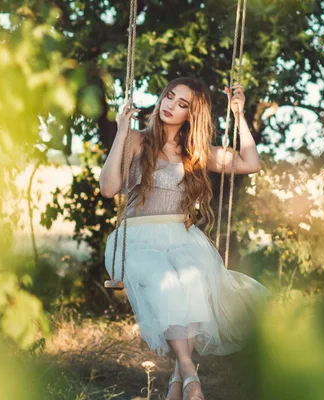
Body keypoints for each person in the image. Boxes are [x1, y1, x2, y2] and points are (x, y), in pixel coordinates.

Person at [99, 77, 269, 400]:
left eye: (182, 104)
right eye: (169, 96)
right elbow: (108, 188)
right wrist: (121, 131)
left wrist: (239, 115)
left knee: (191, 281)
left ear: (191, 115)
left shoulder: (195, 152)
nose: (170, 106)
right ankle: (190, 374)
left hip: (181, 236)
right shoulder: (136, 140)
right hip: (137, 238)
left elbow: (251, 163)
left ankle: (178, 384)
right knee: (166, 282)